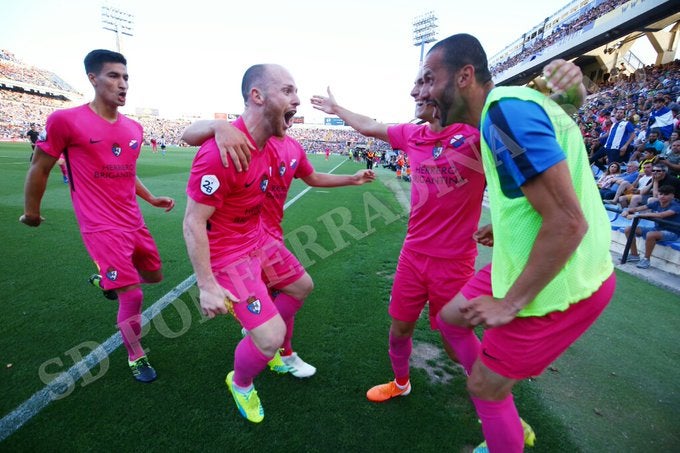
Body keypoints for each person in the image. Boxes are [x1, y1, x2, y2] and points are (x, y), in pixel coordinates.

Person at [421, 34, 615, 453]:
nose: (425, 92)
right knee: (451, 320)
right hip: (526, 260)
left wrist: (509, 304)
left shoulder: (505, 114)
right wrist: (505, 228)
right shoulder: (506, 110)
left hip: (559, 281)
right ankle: (499, 396)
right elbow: (543, 187)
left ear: (465, 76)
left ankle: (498, 411)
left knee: (485, 389)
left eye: (430, 78)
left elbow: (566, 222)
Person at [310, 73, 487, 404]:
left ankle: (493, 399)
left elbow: (519, 178)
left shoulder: (477, 136)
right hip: (413, 256)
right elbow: (368, 125)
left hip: (455, 262)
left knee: (455, 343)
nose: (414, 91)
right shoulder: (412, 135)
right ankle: (401, 382)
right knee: (398, 330)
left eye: (424, 83)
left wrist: (502, 226)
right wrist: (337, 108)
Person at [184, 63, 335, 423]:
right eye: (288, 90)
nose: (297, 99)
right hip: (228, 256)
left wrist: (215, 124)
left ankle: (275, 346)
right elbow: (193, 222)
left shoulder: (269, 146)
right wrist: (206, 285)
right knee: (269, 338)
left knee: (301, 287)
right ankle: (241, 382)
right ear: (257, 96)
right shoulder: (221, 153)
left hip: (258, 242)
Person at [20, 49, 175, 383]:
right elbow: (39, 167)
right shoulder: (65, 121)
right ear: (93, 78)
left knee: (154, 276)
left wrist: (150, 198)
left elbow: (125, 171)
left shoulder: (133, 128)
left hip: (133, 220)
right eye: (113, 76)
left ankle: (106, 281)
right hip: (100, 226)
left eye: (126, 77)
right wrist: (31, 212)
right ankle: (136, 356)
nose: (123, 84)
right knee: (133, 294)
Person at [181, 117, 375, 379]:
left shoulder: (293, 147)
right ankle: (279, 354)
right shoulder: (250, 141)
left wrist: (351, 179)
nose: (292, 104)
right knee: (274, 305)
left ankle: (276, 348)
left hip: (270, 238)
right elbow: (189, 134)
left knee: (295, 290)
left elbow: (313, 177)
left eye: (293, 98)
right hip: (244, 241)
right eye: (285, 93)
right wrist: (218, 126)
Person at [623, 185, 680, 269]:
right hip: (657, 229)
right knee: (628, 229)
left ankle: (646, 260)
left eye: (666, 194)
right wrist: (627, 210)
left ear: (672, 196)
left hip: (673, 233)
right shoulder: (656, 203)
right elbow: (638, 208)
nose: (662, 196)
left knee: (651, 234)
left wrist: (638, 215)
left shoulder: (676, 206)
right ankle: (634, 255)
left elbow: (661, 215)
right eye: (661, 194)